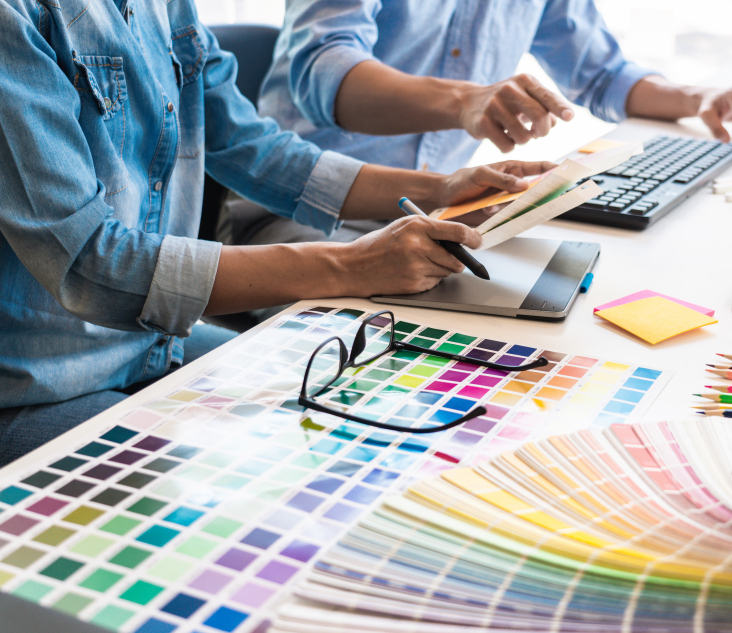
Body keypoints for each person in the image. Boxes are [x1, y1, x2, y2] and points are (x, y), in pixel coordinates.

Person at [0, 0, 551, 465]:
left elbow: (250, 146)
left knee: (368, 410)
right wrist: (351, 265)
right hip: (38, 387)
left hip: (149, 346)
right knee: (261, 473)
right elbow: (94, 268)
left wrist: (441, 189)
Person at [227, 0, 732, 247]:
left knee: (547, 308)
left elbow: (603, 74)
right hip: (299, 211)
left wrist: (701, 95)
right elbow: (323, 70)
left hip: (432, 210)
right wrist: (463, 101)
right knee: (396, 340)